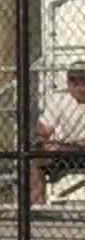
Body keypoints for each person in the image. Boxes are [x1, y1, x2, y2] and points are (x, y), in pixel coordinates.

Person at [33, 61, 85, 206]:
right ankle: (38, 208)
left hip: (75, 149)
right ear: (68, 84)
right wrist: (44, 143)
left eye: (83, 81)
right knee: (36, 160)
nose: (80, 87)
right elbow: (43, 131)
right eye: (74, 82)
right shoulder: (60, 100)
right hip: (63, 151)